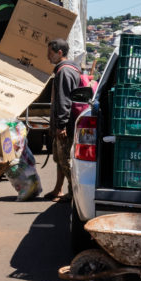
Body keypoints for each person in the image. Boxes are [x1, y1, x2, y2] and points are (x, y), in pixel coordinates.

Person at [45, 38, 80, 202]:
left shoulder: (64, 72)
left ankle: (74, 195)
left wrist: (61, 125)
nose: (47, 56)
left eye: (50, 53)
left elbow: (64, 101)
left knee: (66, 161)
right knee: (59, 159)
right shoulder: (69, 69)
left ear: (60, 53)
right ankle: (57, 189)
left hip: (66, 125)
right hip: (64, 123)